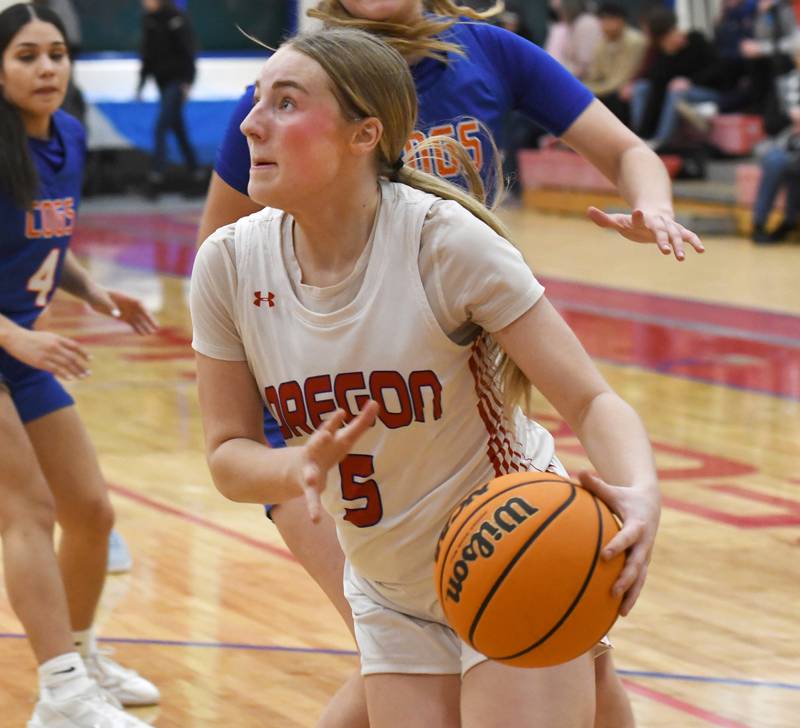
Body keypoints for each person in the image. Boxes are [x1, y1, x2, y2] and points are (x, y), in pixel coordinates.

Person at [196, 2, 704, 727]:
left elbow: (590, 400)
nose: (250, 123)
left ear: (366, 134)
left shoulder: (446, 240)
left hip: (510, 542)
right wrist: (293, 466)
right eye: (257, 103)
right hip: (389, 585)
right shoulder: (228, 265)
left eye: (283, 105)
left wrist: (643, 493)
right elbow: (224, 453)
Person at [0, 4, 160, 725]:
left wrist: (95, 290)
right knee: (26, 510)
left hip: (19, 354)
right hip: (10, 347)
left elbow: (41, 246)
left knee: (91, 512)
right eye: (27, 56)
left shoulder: (65, 135)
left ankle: (83, 658)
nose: (46, 69)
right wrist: (18, 339)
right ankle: (60, 693)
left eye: (56, 54)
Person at [630, 6, 728, 151]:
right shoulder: (663, 52)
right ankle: (641, 137)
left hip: (710, 92)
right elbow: (657, 83)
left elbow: (719, 71)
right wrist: (670, 55)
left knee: (676, 91)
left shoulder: (696, 40)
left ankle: (661, 141)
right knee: (642, 88)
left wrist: (690, 82)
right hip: (677, 93)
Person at [137, 0, 199, 197]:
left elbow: (189, 51)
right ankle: (197, 174)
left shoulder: (176, 18)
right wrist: (140, 85)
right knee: (178, 129)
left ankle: (155, 179)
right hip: (162, 83)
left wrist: (188, 81)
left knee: (161, 127)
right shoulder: (149, 21)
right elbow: (147, 54)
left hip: (177, 82)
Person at [584, 3, 646, 126]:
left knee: (612, 98)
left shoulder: (634, 41)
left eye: (607, 20)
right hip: (609, 87)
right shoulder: (602, 43)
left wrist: (591, 90)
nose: (603, 25)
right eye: (601, 20)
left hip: (629, 86)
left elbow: (621, 79)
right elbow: (594, 75)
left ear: (619, 21)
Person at [544, 0, 603, 81]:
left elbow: (584, 65)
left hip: (586, 80)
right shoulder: (571, 25)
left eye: (561, 10)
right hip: (572, 76)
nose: (560, 14)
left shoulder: (586, 23)